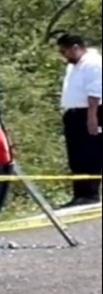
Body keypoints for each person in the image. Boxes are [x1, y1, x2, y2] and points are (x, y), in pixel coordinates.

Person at [57, 32, 102, 208]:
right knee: (76, 156)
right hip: (74, 114)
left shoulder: (93, 63)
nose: (63, 55)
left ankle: (91, 194)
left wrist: (92, 118)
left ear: (75, 48)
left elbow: (95, 92)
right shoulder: (74, 65)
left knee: (90, 153)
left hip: (91, 112)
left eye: (64, 51)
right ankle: (80, 194)